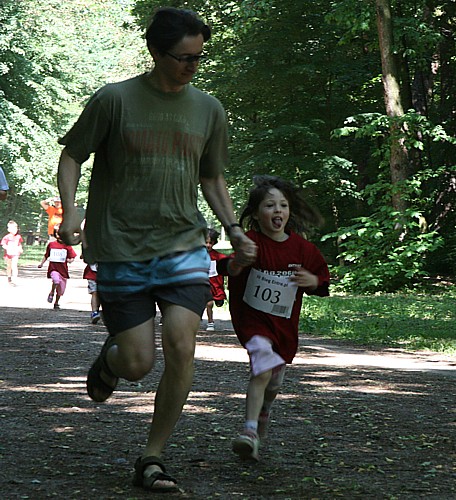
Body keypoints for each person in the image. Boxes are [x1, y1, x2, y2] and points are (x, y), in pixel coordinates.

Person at [56, 7, 257, 493]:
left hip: (183, 244)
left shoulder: (208, 109)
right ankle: (112, 360)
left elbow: (212, 176)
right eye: (183, 58)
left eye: (198, 58)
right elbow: (72, 155)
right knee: (137, 363)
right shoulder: (114, 100)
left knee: (183, 346)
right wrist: (71, 211)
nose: (192, 66)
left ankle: (153, 457)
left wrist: (233, 227)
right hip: (121, 247)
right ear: (155, 51)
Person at [219, 176, 330, 461]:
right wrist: (237, 262)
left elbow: (322, 281)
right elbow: (227, 267)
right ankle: (249, 431)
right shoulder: (251, 243)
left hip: (283, 326)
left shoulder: (303, 249)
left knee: (274, 380)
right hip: (253, 322)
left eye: (283, 205)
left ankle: (264, 412)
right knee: (262, 365)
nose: (277, 210)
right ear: (256, 214)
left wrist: (312, 280)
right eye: (269, 205)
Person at [38, 226, 77, 310]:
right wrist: (41, 263)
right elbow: (46, 255)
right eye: (57, 233)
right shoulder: (51, 244)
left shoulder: (67, 245)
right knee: (56, 280)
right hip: (54, 268)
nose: (59, 235)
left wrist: (70, 260)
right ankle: (52, 292)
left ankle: (56, 302)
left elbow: (72, 256)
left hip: (63, 270)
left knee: (61, 289)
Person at [205, 228, 227, 331]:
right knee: (209, 303)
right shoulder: (198, 256)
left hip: (216, 285)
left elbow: (226, 264)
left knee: (219, 303)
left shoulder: (217, 256)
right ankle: (210, 322)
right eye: (206, 242)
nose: (208, 245)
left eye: (210, 243)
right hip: (204, 283)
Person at [2, 220, 24, 284]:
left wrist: (20, 249)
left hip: (15, 253)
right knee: (9, 266)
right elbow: (3, 244)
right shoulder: (7, 237)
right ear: (9, 229)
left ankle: (14, 279)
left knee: (14, 265)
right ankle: (9, 277)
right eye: (13, 228)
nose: (15, 230)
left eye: (16, 228)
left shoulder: (18, 237)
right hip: (8, 254)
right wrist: (7, 248)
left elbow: (19, 244)